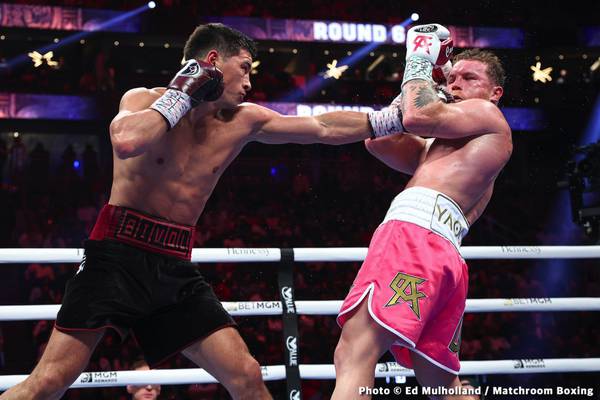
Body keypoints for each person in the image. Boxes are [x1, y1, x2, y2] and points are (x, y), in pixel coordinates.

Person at [0, 23, 399, 400]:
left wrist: (390, 119)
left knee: (247, 375)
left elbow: (323, 128)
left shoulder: (244, 120)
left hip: (173, 265)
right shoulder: (144, 99)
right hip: (115, 257)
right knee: (49, 382)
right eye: (244, 68)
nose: (249, 82)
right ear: (212, 61)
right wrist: (183, 92)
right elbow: (126, 140)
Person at [332, 24, 512, 400]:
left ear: (495, 93)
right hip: (439, 251)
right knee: (441, 385)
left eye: (470, 78)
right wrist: (431, 81)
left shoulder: (487, 116)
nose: (457, 84)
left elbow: (416, 117)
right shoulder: (445, 147)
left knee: (355, 351)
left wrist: (418, 60)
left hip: (415, 238)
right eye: (453, 77)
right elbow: (380, 138)